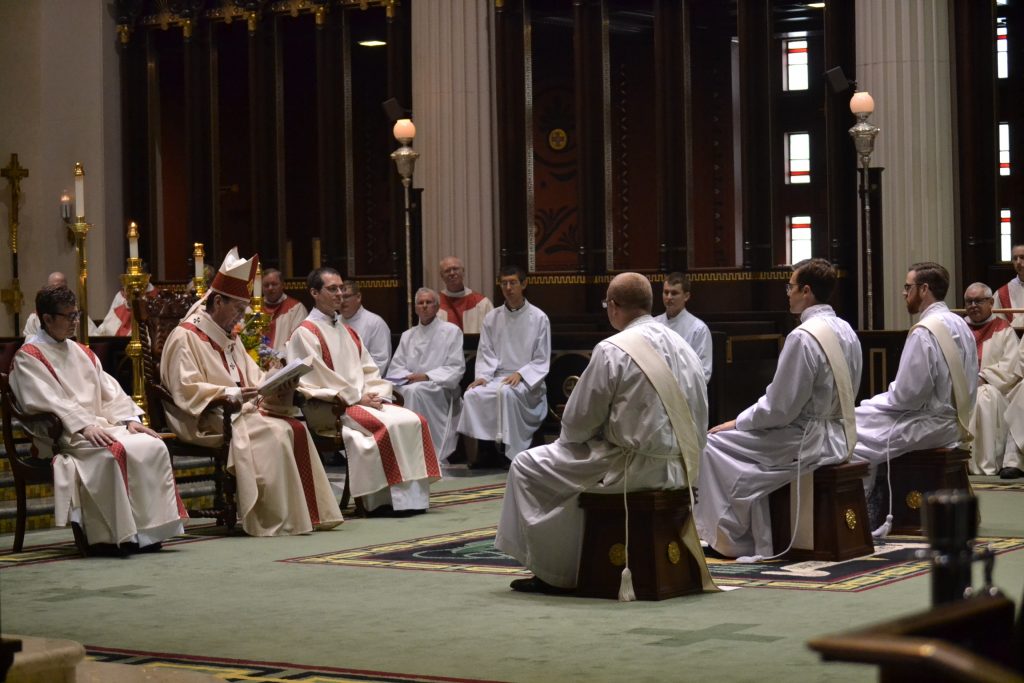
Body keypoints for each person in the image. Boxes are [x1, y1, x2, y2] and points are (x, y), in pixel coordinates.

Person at [496, 272, 714, 594]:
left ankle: (557, 572)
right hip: (682, 467)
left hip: (630, 468)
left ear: (613, 306)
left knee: (527, 466)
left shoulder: (613, 349)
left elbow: (576, 425)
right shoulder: (684, 346)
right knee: (570, 465)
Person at [160, 249, 343, 536]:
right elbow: (185, 388)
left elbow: (254, 379)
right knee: (276, 433)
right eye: (238, 309)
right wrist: (229, 393)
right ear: (218, 301)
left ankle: (308, 513)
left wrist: (278, 379)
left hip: (239, 412)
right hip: (205, 417)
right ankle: (273, 517)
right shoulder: (186, 336)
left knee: (295, 428)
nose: (240, 317)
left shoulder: (228, 336)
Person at [695, 258, 862, 560]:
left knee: (713, 444)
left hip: (806, 440)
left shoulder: (804, 336)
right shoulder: (847, 330)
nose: (787, 293)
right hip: (840, 434)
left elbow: (779, 409)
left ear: (807, 291)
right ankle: (755, 531)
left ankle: (731, 540)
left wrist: (738, 421)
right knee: (735, 447)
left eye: (791, 286)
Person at [11, 285, 186, 554]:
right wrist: (82, 425)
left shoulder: (82, 351)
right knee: (111, 453)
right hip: (63, 436)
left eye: (76, 314)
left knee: (152, 445)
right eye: (68, 316)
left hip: (99, 426)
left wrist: (128, 419)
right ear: (46, 319)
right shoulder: (29, 357)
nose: (75, 322)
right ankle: (111, 538)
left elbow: (109, 390)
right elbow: (47, 401)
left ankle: (149, 533)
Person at [288, 268, 441, 514]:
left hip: (361, 401)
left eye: (342, 289)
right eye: (332, 289)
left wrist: (374, 393)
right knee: (387, 427)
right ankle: (381, 502)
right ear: (314, 293)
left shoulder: (347, 331)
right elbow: (315, 379)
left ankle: (410, 501)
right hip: (332, 408)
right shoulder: (305, 332)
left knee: (415, 420)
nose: (340, 294)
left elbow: (368, 369)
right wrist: (357, 397)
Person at [853, 262, 978, 501]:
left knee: (851, 433)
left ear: (924, 289)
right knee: (863, 418)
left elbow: (908, 395)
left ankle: (869, 510)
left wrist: (874, 401)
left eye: (907, 286)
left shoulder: (924, 331)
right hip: (957, 422)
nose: (903, 293)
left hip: (930, 425)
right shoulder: (959, 323)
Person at [457, 265, 550, 464]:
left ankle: (512, 455)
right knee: (473, 394)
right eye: (504, 283)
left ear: (524, 284)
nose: (508, 287)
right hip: (496, 376)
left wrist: (522, 374)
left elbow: (541, 358)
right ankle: (484, 452)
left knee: (507, 393)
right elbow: (486, 352)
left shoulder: (539, 317)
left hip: (527, 380)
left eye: (513, 282)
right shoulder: (492, 317)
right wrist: (482, 377)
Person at [387, 288, 465, 464]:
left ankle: (422, 453)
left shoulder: (451, 331)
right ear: (415, 308)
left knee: (415, 392)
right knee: (392, 391)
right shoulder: (408, 335)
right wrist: (407, 376)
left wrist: (426, 376)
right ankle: (403, 452)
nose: (424, 306)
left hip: (439, 386)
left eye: (429, 302)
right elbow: (396, 366)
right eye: (420, 303)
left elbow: (455, 367)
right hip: (410, 383)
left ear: (437, 307)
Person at [962, 282, 1022, 475]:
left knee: (984, 396)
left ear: (990, 302)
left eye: (978, 301)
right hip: (960, 388)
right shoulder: (958, 328)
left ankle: (983, 464)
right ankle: (961, 462)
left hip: (996, 390)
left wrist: (984, 377)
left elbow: (1012, 366)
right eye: (969, 301)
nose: (973, 305)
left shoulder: (1003, 328)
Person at [654, 272, 712, 383]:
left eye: (674, 293)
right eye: (666, 292)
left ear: (686, 296)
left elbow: (704, 372)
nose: (669, 297)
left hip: (686, 393)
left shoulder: (699, 329)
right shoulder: (653, 324)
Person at [22, 272, 99, 338]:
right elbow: (29, 340)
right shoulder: (34, 318)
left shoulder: (78, 315)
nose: (76, 321)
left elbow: (94, 337)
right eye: (54, 289)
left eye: (62, 288)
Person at [339, 280, 391, 375]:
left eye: (346, 296)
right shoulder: (334, 321)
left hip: (366, 380)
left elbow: (380, 361)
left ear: (358, 297)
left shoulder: (375, 323)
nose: (342, 301)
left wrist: (356, 379)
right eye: (339, 297)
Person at [437, 256, 494, 334]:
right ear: (441, 276)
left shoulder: (482, 303)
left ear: (463, 271)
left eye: (455, 269)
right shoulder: (435, 303)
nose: (452, 273)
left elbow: (493, 332)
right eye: (447, 270)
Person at [261, 267, 307, 355]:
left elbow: (298, 341)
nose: (270, 288)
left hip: (284, 361)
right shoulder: (252, 309)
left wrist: (278, 356)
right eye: (266, 285)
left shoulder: (296, 308)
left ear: (282, 285)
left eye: (274, 284)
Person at [995, 243, 1024, 328]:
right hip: (1012, 338)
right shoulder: (1002, 293)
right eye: (1015, 258)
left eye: (1022, 257)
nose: (1018, 262)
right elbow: (996, 323)